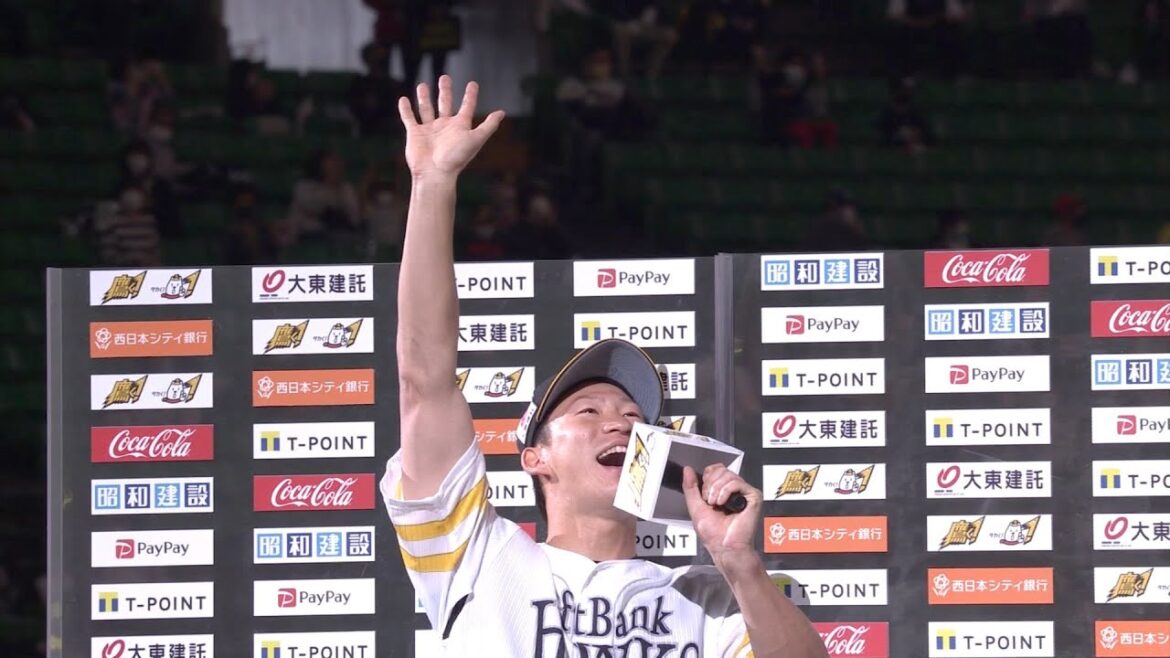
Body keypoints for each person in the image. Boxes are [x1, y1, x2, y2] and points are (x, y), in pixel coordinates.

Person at [382, 74, 828, 657]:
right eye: (589, 411)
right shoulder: (476, 553)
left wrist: (740, 563)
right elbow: (424, 378)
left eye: (634, 417)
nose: (619, 423)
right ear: (534, 457)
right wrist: (433, 182)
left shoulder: (708, 597)